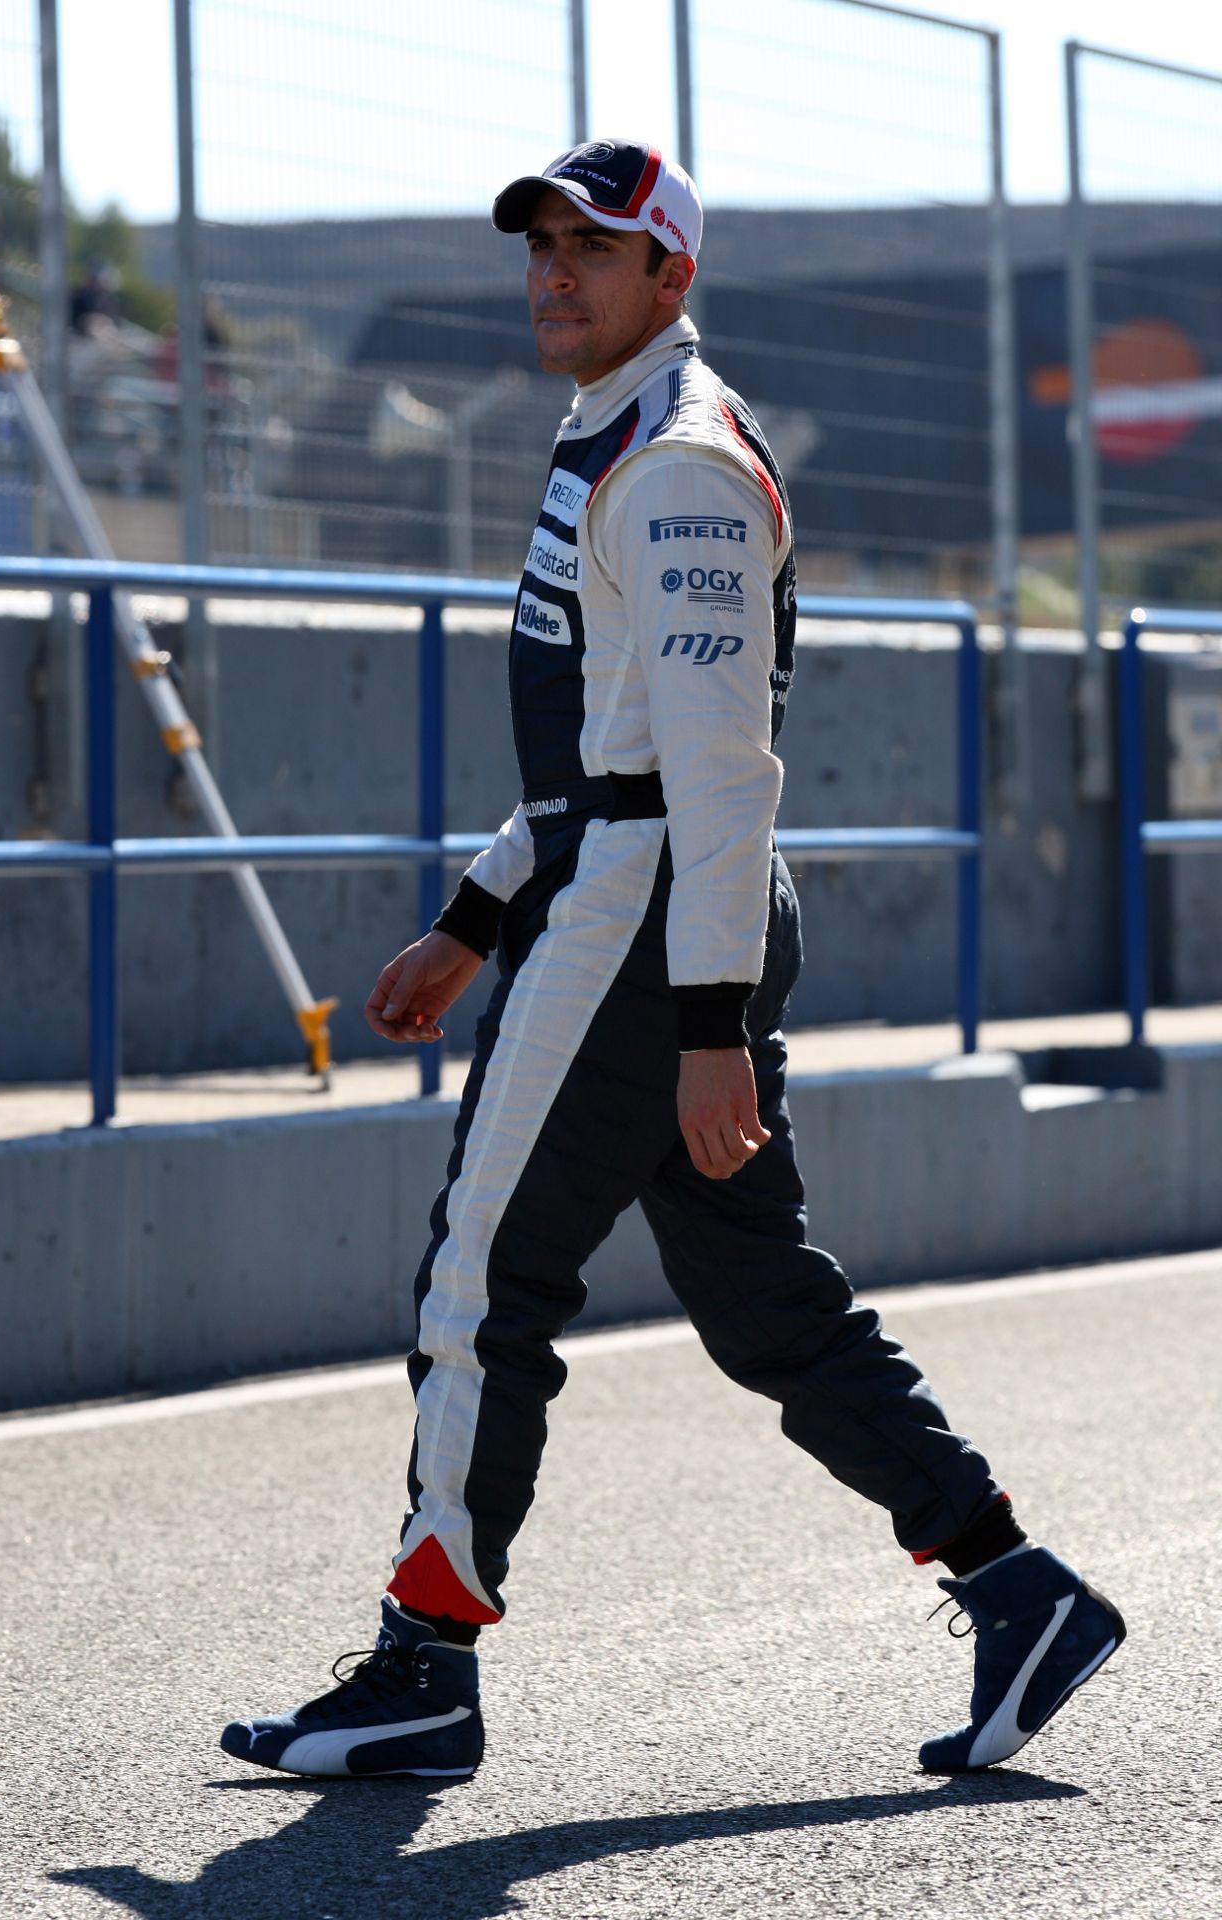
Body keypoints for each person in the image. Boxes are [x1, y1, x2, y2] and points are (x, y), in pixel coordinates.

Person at [222, 139, 1124, 1783]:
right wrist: (473, 919)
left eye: (596, 249)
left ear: (671, 280)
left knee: (479, 1283)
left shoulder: (683, 464)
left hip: (650, 924)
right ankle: (1020, 1586)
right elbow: (608, 748)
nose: (556, 272)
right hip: (631, 897)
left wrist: (706, 1025)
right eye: (542, 245)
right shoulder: (614, 434)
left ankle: (426, 1665)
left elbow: (713, 776)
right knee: (763, 1302)